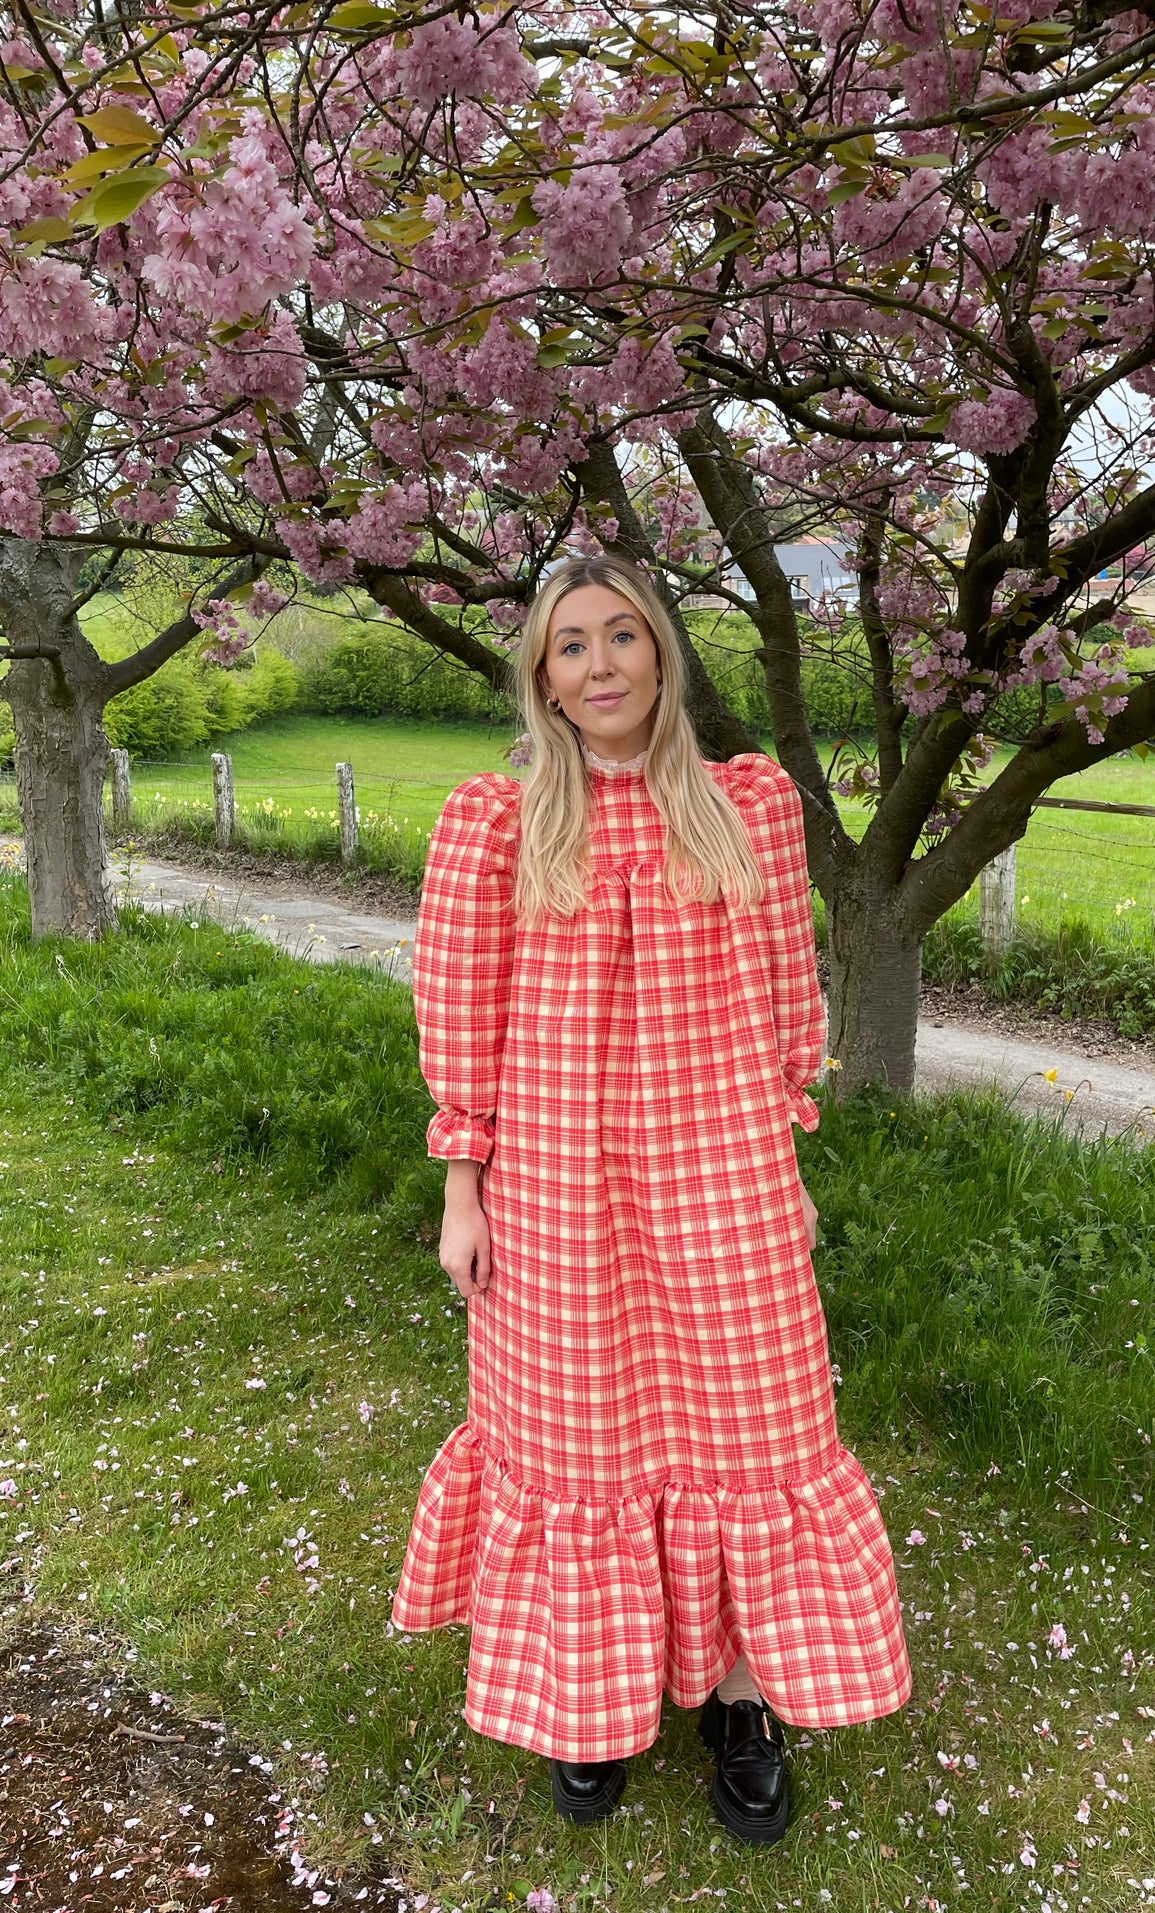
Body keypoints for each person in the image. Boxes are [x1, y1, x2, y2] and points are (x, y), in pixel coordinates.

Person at [391, 556, 912, 1844]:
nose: (603, 663)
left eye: (626, 636)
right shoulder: (498, 825)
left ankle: (742, 1696)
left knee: (756, 1428)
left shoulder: (745, 808)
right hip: (559, 1178)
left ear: (665, 658)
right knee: (580, 1439)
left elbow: (790, 1001)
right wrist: (467, 1189)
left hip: (719, 1167)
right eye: (573, 646)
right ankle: (589, 1701)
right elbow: (463, 1017)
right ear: (544, 679)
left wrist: (777, 1160)